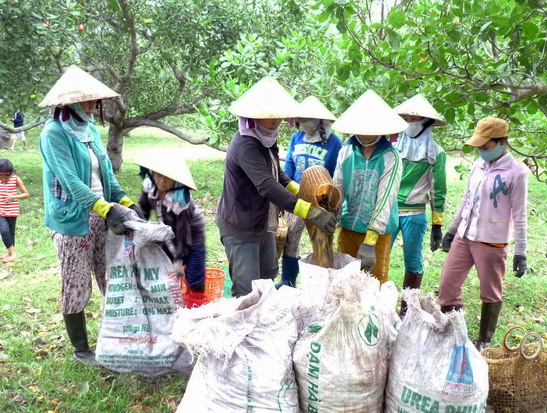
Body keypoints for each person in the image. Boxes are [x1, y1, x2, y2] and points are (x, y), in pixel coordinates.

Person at [38, 65, 144, 366]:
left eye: (94, 101)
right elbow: (71, 183)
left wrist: (124, 201)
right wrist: (106, 208)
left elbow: (106, 176)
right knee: (76, 281)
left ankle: (116, 337)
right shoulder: (53, 134)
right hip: (72, 220)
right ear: (68, 102)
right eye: (86, 101)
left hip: (102, 216)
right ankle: (82, 349)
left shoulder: (90, 131)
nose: (92, 106)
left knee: (110, 278)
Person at [216, 77, 338, 297]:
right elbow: (267, 186)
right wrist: (309, 212)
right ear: (252, 116)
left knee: (266, 279)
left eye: (277, 116)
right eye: (267, 117)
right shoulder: (247, 143)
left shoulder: (267, 139)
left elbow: (278, 174)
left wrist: (303, 192)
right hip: (241, 226)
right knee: (247, 291)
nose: (274, 121)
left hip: (262, 222)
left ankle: (264, 325)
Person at [438, 117, 527, 351]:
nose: (480, 151)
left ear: (502, 143)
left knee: (490, 292)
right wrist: (451, 230)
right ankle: (452, 335)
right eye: (478, 147)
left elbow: (520, 215)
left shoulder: (517, 173)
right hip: (465, 236)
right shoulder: (477, 166)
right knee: (447, 287)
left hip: (492, 242)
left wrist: (521, 253)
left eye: (485, 147)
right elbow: (466, 200)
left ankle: (483, 342)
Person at [332, 90, 406, 283]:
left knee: (373, 284)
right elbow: (337, 189)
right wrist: (331, 215)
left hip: (378, 233)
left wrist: (371, 239)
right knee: (344, 281)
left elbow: (386, 197)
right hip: (348, 227)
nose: (365, 133)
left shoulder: (391, 157)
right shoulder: (346, 151)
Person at [392, 94, 447, 317]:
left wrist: (437, 224)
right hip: (388, 210)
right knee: (377, 256)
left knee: (413, 261)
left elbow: (438, 190)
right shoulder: (393, 147)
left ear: (426, 122)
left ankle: (407, 310)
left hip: (414, 213)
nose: (409, 121)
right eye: (405, 117)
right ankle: (376, 305)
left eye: (414, 118)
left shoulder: (436, 153)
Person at [278, 96, 342, 287]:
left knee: (321, 242)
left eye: (306, 119)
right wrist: (287, 195)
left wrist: (331, 205)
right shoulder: (296, 138)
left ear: (319, 121)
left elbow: (335, 176)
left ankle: (324, 283)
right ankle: (288, 280)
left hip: (322, 201)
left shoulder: (334, 143)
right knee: (291, 238)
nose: (301, 123)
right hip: (298, 197)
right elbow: (289, 168)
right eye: (300, 119)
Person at [135, 151, 207, 308]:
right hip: (168, 236)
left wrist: (179, 259)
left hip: (192, 240)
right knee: (166, 276)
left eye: (168, 177)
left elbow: (184, 232)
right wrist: (138, 229)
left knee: (194, 278)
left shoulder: (181, 202)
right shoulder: (150, 189)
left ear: (176, 180)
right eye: (158, 175)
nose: (162, 181)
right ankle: (172, 307)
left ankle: (198, 307)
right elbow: (144, 211)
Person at [0, 159, 29, 262]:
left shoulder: (16, 179)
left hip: (12, 212)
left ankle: (9, 253)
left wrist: (13, 196)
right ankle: (12, 254)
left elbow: (26, 194)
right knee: (4, 231)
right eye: (2, 178)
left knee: (10, 233)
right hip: (1, 211)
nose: (4, 180)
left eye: (7, 177)